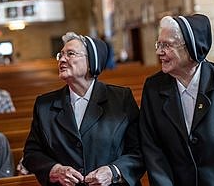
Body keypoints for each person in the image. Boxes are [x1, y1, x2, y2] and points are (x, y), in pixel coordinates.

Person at [23, 32, 144, 186]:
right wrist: (55, 170)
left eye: (70, 54)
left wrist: (113, 172)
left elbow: (139, 150)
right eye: (60, 54)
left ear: (92, 62)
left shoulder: (120, 99)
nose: (62, 59)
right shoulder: (44, 105)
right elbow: (32, 153)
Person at [139, 14, 214, 186]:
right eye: (159, 44)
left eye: (166, 45)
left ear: (192, 49)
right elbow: (152, 147)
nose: (158, 52)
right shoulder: (153, 87)